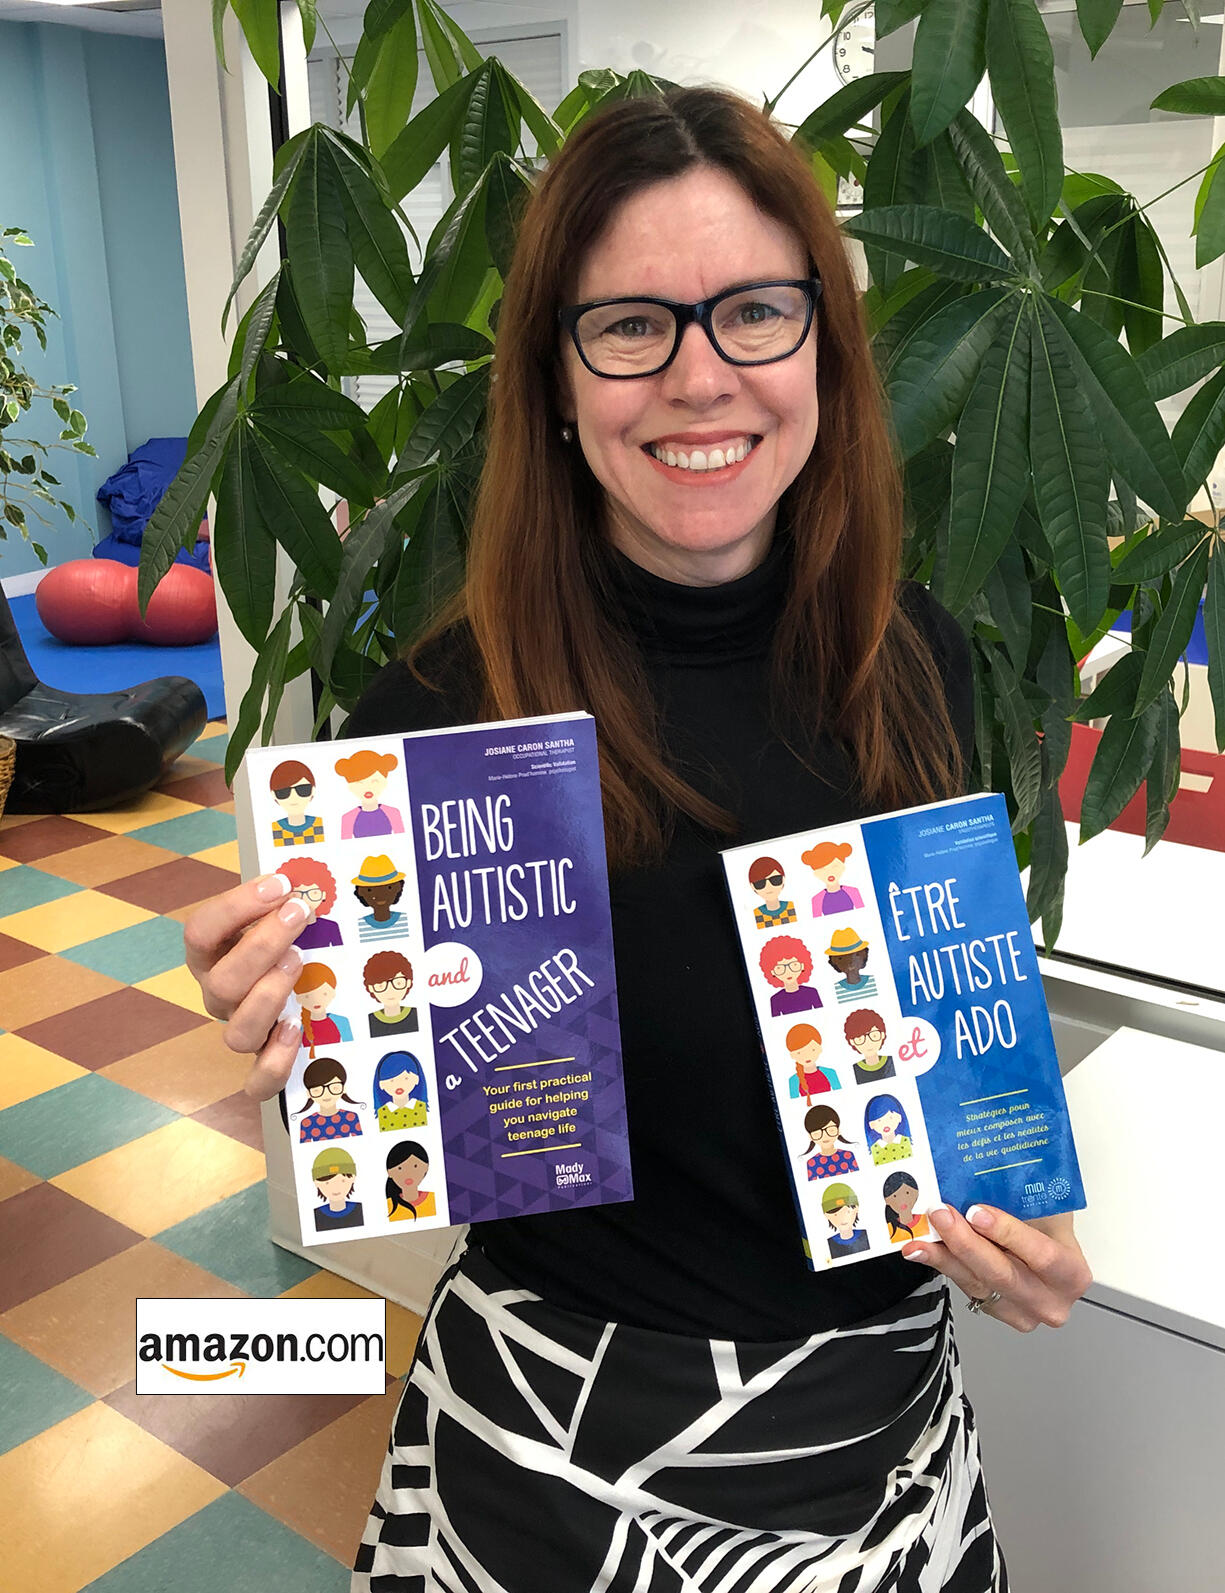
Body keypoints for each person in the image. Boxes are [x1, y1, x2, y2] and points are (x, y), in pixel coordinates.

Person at [183, 87, 1090, 1593]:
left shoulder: (911, 656)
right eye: (629, 326)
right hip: (544, 1454)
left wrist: (1019, 1241)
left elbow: (940, 1062)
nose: (699, 377)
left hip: (876, 1459)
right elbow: (381, 1129)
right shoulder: (433, 710)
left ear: (825, 350)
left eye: (753, 312)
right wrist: (282, 1039)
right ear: (552, 370)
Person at [335, 749, 405, 839]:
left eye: (374, 781)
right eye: (359, 783)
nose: (367, 788)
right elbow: (345, 846)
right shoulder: (348, 818)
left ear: (384, 782)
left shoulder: (393, 813)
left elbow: (402, 840)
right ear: (350, 787)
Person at [293, 961, 353, 1056]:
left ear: (332, 993)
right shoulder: (299, 1027)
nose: (316, 1000)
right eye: (307, 996)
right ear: (299, 999)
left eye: (324, 994)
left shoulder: (342, 1022)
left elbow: (351, 1050)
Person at [362, 950, 419, 1036]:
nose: (390, 990)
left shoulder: (417, 1015)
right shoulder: (369, 1021)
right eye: (381, 985)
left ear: (408, 983)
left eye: (398, 983)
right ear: (370, 988)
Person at [803, 837, 864, 916]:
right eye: (822, 869)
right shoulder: (816, 899)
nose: (829, 873)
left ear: (842, 867)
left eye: (834, 867)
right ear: (816, 873)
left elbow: (863, 913)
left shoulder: (853, 892)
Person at [797, 1103, 859, 1181]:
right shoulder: (812, 1163)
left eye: (831, 1130)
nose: (825, 1136)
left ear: (838, 1131)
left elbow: (858, 1177)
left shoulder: (848, 1155)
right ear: (810, 1137)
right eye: (817, 1133)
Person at [786, 1021, 840, 1099]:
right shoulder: (793, 1081)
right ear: (792, 1055)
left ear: (819, 1049)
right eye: (799, 1053)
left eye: (812, 1050)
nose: (807, 1056)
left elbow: (839, 1096)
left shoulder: (830, 1073)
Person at [385, 1140, 437, 1221]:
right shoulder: (388, 1206)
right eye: (400, 1168)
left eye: (415, 1166)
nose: (408, 1173)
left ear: (426, 1167)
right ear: (389, 1172)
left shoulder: (434, 1200)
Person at [865, 1093, 914, 1166]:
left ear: (899, 1117)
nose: (885, 1124)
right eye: (879, 1120)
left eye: (890, 1118)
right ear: (871, 1125)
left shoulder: (906, 1142)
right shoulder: (874, 1149)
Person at [746, 854, 796, 927]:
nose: (768, 886)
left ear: (783, 880)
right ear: (752, 886)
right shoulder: (756, 914)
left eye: (775, 880)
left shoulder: (791, 907)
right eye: (760, 883)